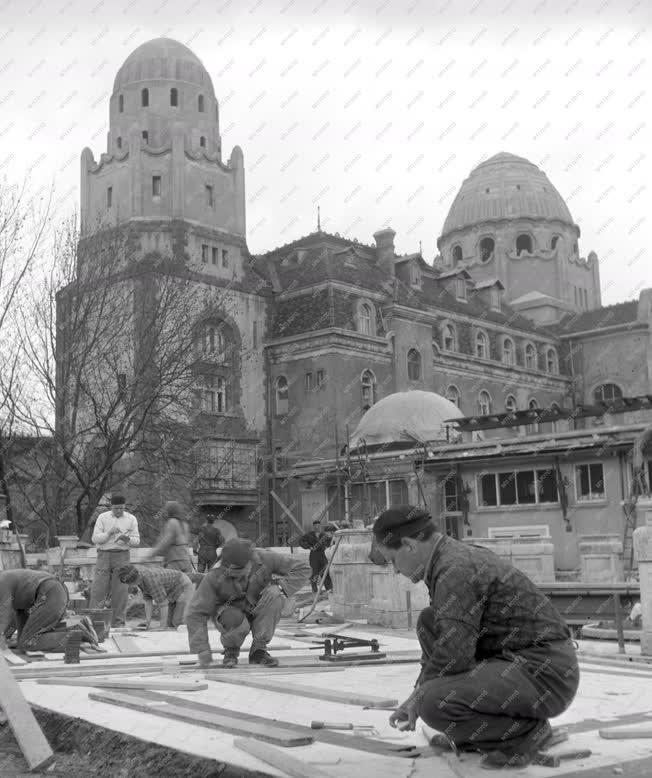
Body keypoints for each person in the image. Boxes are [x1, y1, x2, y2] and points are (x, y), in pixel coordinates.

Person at [370, 505, 580, 769]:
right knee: (430, 621)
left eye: (392, 560)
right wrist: (417, 692)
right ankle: (483, 732)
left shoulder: (455, 569)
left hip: (547, 674)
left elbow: (453, 656)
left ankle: (524, 736)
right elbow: (446, 645)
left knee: (434, 703)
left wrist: (419, 698)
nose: (395, 571)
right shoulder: (447, 559)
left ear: (410, 545)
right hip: (522, 663)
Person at [186, 537, 310, 668]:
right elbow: (196, 613)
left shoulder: (265, 558)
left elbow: (303, 568)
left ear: (250, 562)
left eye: (240, 572)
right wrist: (202, 649)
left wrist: (280, 587)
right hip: (230, 611)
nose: (237, 577)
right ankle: (231, 651)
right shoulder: (215, 575)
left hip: (258, 605)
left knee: (275, 599)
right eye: (232, 574)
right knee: (233, 617)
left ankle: (258, 651)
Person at [89, 494, 140, 627]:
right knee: (98, 589)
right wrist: (109, 533)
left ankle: (118, 623)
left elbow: (137, 541)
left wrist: (127, 539)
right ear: (111, 506)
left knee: (121, 591)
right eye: (116, 508)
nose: (119, 511)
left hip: (122, 556)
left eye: (121, 508)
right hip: (104, 555)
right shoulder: (103, 517)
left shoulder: (131, 519)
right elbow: (95, 539)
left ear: (124, 506)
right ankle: (95, 623)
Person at [0, 569, 69, 652]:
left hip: (50, 593)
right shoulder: (8, 584)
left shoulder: (2, 581)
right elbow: (12, 617)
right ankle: (76, 631)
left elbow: (4, 614)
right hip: (46, 594)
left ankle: (76, 636)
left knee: (27, 643)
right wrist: (7, 636)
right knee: (22, 642)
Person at [118, 564, 195, 630]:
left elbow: (163, 604)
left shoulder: (151, 580)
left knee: (178, 622)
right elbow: (148, 602)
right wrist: (148, 622)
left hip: (183, 586)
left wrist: (162, 626)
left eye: (129, 583)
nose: (129, 585)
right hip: (171, 590)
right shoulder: (140, 579)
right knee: (170, 624)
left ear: (135, 580)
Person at [146, 501, 193, 573]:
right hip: (186, 562)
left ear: (170, 511)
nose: (165, 512)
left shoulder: (172, 522)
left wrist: (152, 554)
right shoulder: (184, 524)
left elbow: (165, 542)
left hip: (175, 562)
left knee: (170, 583)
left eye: (166, 510)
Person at [300, 521, 336, 593]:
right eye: (315, 526)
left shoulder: (324, 535)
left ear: (320, 526)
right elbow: (301, 541)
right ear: (313, 526)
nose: (317, 527)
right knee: (315, 572)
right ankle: (314, 589)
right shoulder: (309, 535)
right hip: (314, 555)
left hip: (323, 555)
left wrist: (328, 547)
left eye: (318, 526)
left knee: (325, 571)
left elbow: (331, 542)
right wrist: (308, 547)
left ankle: (328, 589)